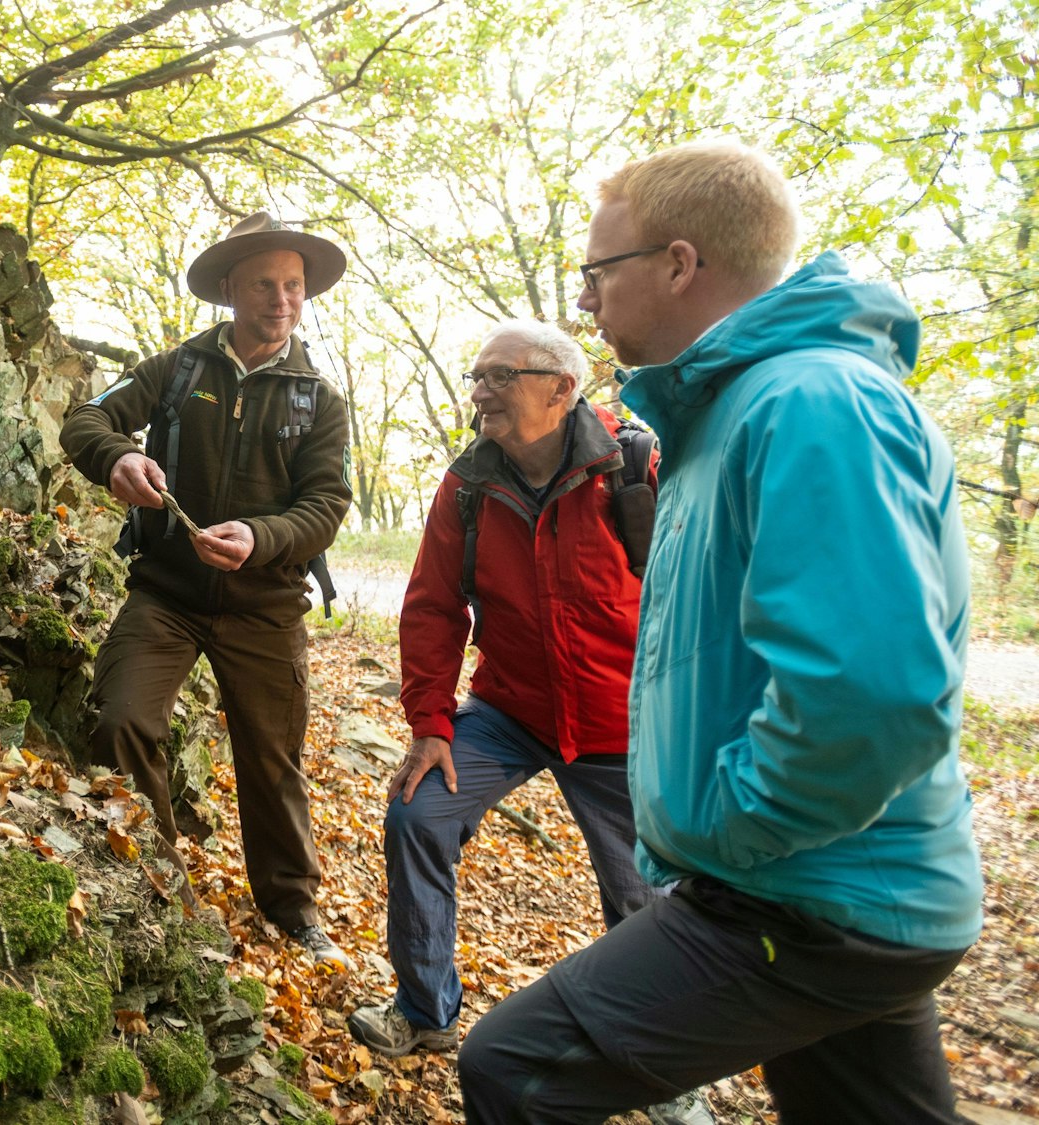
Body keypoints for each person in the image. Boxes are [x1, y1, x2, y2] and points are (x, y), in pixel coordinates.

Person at [457, 140, 983, 1125]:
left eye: (595, 274)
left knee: (511, 1069)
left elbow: (868, 693)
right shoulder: (727, 415)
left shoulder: (808, 404)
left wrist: (729, 831)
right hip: (841, 890)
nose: (584, 303)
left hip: (808, 898)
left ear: (677, 264)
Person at [346, 321, 711, 1125]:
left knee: (645, 900)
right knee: (419, 810)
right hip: (510, 711)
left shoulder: (641, 465)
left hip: (624, 726)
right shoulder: (468, 484)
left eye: (498, 376)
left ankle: (664, 1069)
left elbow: (704, 602)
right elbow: (434, 609)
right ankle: (424, 1008)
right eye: (475, 376)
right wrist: (431, 724)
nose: (479, 391)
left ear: (561, 388)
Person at [60, 212, 355, 964]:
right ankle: (158, 879)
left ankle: (293, 907)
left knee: (272, 756)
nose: (281, 299)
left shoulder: (319, 399)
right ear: (230, 288)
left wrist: (261, 537)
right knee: (121, 718)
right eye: (265, 283)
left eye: (293, 285)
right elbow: (87, 418)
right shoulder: (176, 370)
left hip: (266, 608)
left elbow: (325, 505)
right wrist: (116, 459)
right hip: (167, 595)